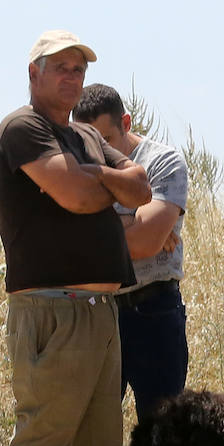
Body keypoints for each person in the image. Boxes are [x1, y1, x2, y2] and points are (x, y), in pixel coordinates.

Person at [0, 30, 152, 446]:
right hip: (51, 307)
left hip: (101, 307)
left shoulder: (82, 132)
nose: (70, 78)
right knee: (45, 430)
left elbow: (139, 187)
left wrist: (98, 175)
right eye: (59, 67)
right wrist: (99, 182)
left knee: (98, 440)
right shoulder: (23, 128)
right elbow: (74, 196)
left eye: (77, 69)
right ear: (33, 73)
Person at [71, 83, 188, 419]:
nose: (97, 152)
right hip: (96, 312)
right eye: (87, 142)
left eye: (105, 140)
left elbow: (147, 242)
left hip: (153, 312)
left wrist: (94, 230)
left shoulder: (163, 162)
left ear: (126, 122)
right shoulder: (79, 168)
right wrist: (130, 221)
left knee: (160, 437)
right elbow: (65, 243)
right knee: (92, 429)